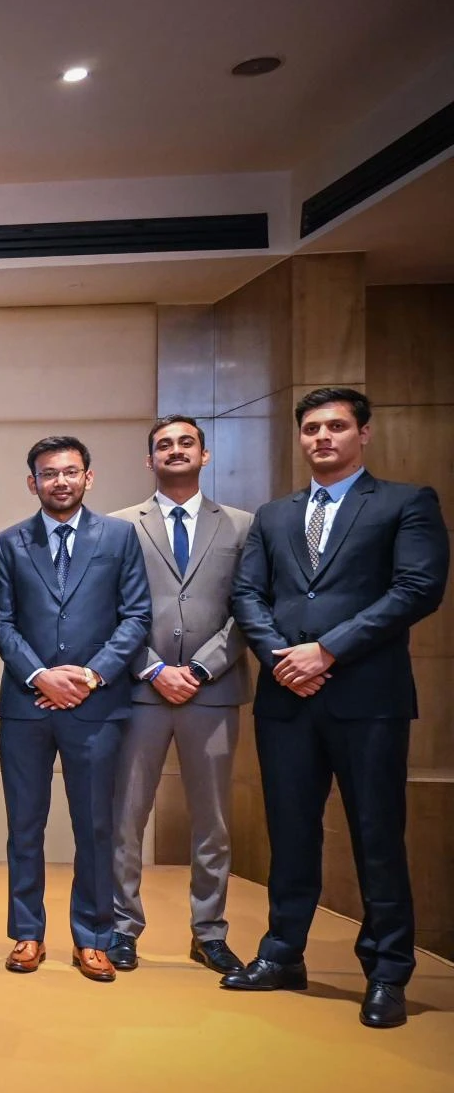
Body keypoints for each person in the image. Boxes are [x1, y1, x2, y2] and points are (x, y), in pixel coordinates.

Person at [225, 388, 447, 1029]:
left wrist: (327, 651)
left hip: (367, 698)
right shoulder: (274, 515)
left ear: (363, 433)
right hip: (286, 697)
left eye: (337, 426)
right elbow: (247, 595)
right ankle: (282, 954)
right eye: (312, 429)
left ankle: (387, 972)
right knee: (290, 832)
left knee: (377, 835)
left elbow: (417, 588)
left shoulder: (406, 502)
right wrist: (281, 658)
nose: (322, 437)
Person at [0, 436, 151, 982]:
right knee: (24, 826)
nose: (59, 481)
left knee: (96, 826)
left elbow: (136, 616)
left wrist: (88, 675)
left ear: (88, 476)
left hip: (96, 704)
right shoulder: (9, 542)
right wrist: (40, 675)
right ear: (32, 482)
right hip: (27, 705)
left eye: (69, 471)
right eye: (48, 473)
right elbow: (2, 623)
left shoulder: (119, 537)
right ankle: (26, 933)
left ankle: (94, 937)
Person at [106, 418, 253, 976]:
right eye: (163, 445)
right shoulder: (120, 526)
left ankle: (209, 932)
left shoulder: (242, 525)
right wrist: (152, 668)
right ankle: (122, 927)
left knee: (212, 821)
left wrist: (200, 667)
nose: (175, 450)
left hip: (211, 693)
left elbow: (250, 607)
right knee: (126, 818)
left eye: (185, 442)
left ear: (204, 455)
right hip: (140, 692)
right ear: (150, 460)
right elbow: (109, 609)